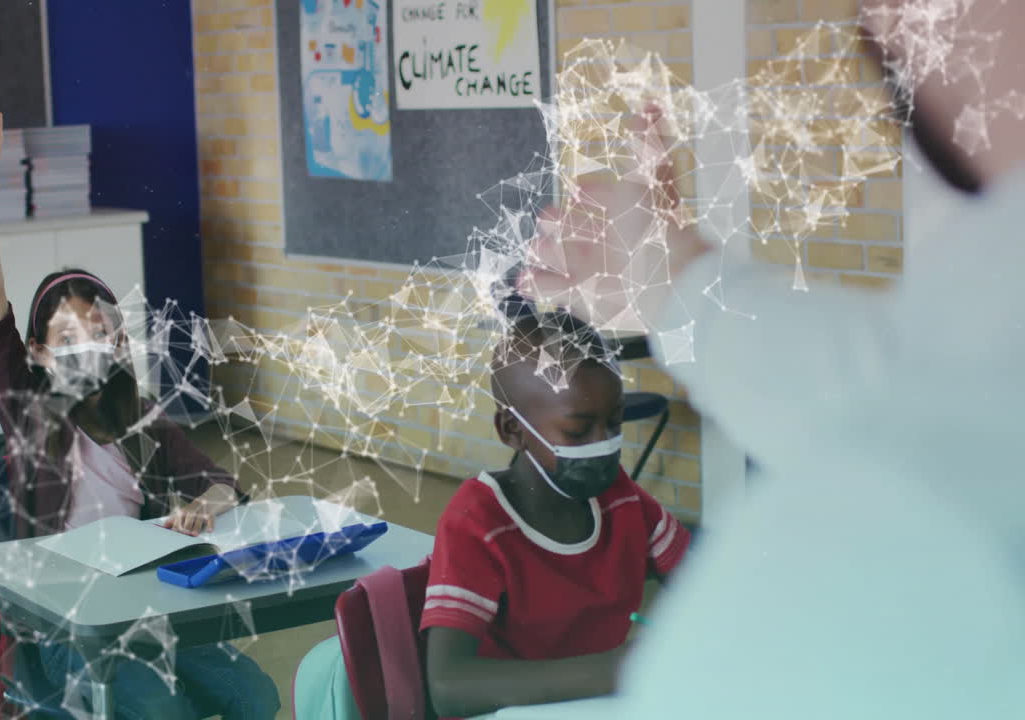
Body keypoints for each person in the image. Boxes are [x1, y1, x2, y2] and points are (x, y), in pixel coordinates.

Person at [514, 1, 1025, 717]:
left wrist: (678, 291)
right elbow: (917, 379)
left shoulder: (903, 536)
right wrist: (673, 289)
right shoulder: (967, 358)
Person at [0, 87, 280, 720]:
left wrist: (198, 508)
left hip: (147, 608)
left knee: (257, 696)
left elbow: (223, 486)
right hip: (68, 627)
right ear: (39, 352)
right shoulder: (30, 410)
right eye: (68, 337)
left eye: (100, 332)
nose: (88, 346)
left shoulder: (137, 420)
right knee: (166, 713)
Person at [421, 306, 689, 718]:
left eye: (614, 424)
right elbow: (447, 686)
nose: (604, 444)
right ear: (513, 431)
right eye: (578, 431)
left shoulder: (622, 499)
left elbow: (706, 581)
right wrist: (608, 672)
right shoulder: (480, 522)